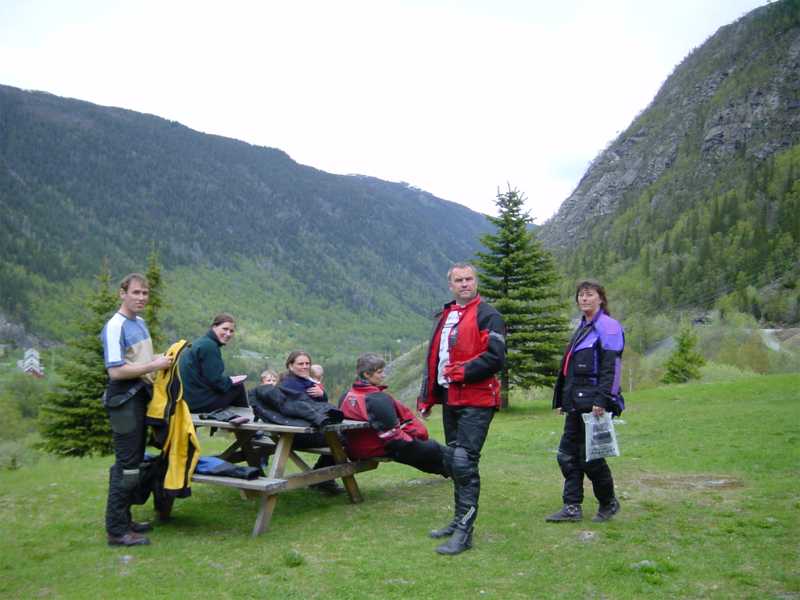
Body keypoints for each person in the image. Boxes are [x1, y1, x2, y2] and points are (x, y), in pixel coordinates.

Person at [417, 263, 506, 555]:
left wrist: (463, 371)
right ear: (451, 285)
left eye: (469, 279)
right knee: (455, 461)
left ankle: (465, 532)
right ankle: (458, 522)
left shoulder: (489, 315)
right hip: (451, 399)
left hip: (477, 399)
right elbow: (434, 358)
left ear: (476, 282)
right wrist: (427, 396)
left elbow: (496, 357)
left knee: (464, 462)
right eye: (459, 280)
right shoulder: (446, 316)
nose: (465, 284)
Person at [101, 273, 173, 547]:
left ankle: (124, 519)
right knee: (126, 464)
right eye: (136, 292)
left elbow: (140, 359)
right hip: (124, 400)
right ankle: (117, 530)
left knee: (133, 461)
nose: (141, 298)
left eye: (145, 293)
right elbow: (116, 370)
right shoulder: (115, 326)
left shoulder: (140, 323)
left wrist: (161, 358)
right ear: (123, 293)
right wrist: (154, 366)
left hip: (140, 397)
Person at [546, 279, 625, 524]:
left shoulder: (608, 327)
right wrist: (563, 399)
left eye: (589, 294)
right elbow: (570, 369)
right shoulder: (583, 327)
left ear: (600, 298)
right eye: (581, 295)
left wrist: (603, 400)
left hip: (594, 405)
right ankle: (572, 507)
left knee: (591, 457)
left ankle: (609, 503)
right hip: (576, 403)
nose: (584, 298)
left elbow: (612, 369)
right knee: (567, 455)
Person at [340, 353, 448, 475]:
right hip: (377, 447)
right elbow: (393, 437)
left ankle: (451, 469)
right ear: (366, 374)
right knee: (432, 448)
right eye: (379, 372)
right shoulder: (375, 398)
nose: (383, 375)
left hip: (354, 447)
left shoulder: (346, 396)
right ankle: (457, 469)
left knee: (429, 449)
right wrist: (414, 440)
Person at [278, 351, 342, 494]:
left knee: (339, 438)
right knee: (342, 439)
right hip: (297, 434)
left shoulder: (304, 381)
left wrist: (322, 394)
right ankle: (322, 479)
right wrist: (321, 398)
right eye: (300, 364)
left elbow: (321, 402)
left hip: (298, 431)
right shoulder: (290, 385)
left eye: (307, 363)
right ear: (290, 366)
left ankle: (320, 478)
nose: (305, 366)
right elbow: (312, 407)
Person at [179, 313, 248, 414]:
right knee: (238, 387)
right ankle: (245, 421)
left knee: (232, 386)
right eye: (225, 329)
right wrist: (231, 381)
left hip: (187, 400)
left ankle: (236, 419)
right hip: (196, 403)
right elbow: (216, 382)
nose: (228, 334)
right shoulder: (209, 346)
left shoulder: (201, 342)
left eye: (231, 331)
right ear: (214, 327)